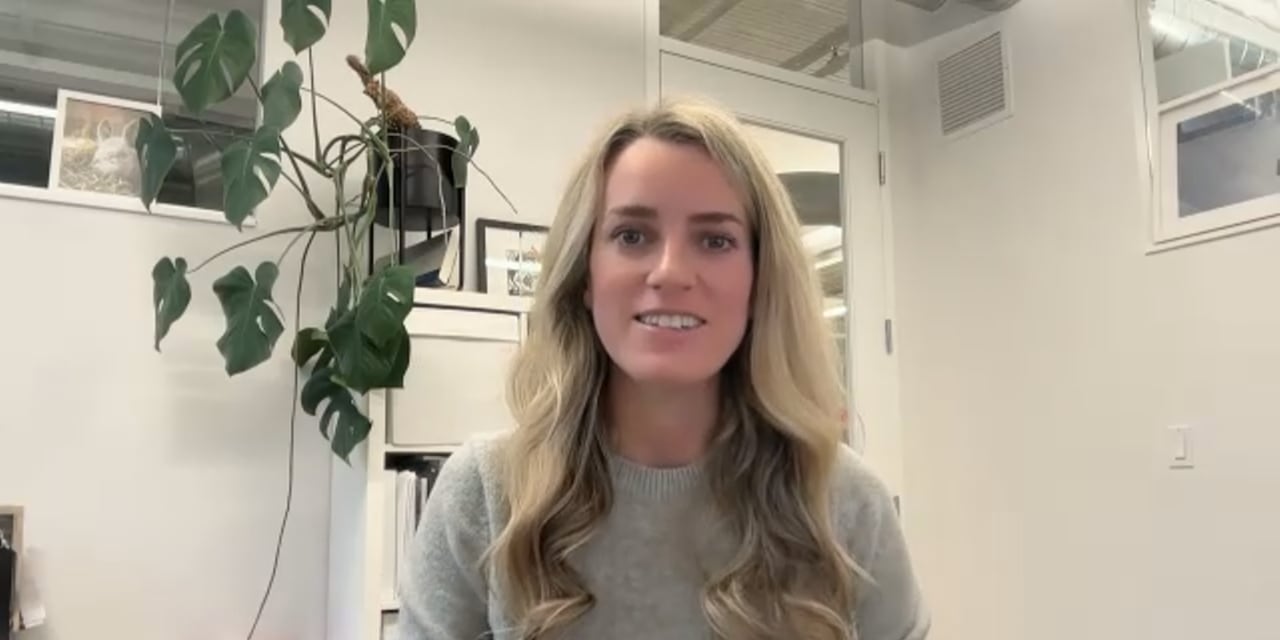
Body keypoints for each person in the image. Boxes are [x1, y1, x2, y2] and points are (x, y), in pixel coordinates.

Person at [396, 98, 930, 640]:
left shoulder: (845, 504)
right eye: (632, 235)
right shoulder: (485, 494)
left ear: (758, 282)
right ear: (585, 274)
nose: (671, 272)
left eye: (715, 240)